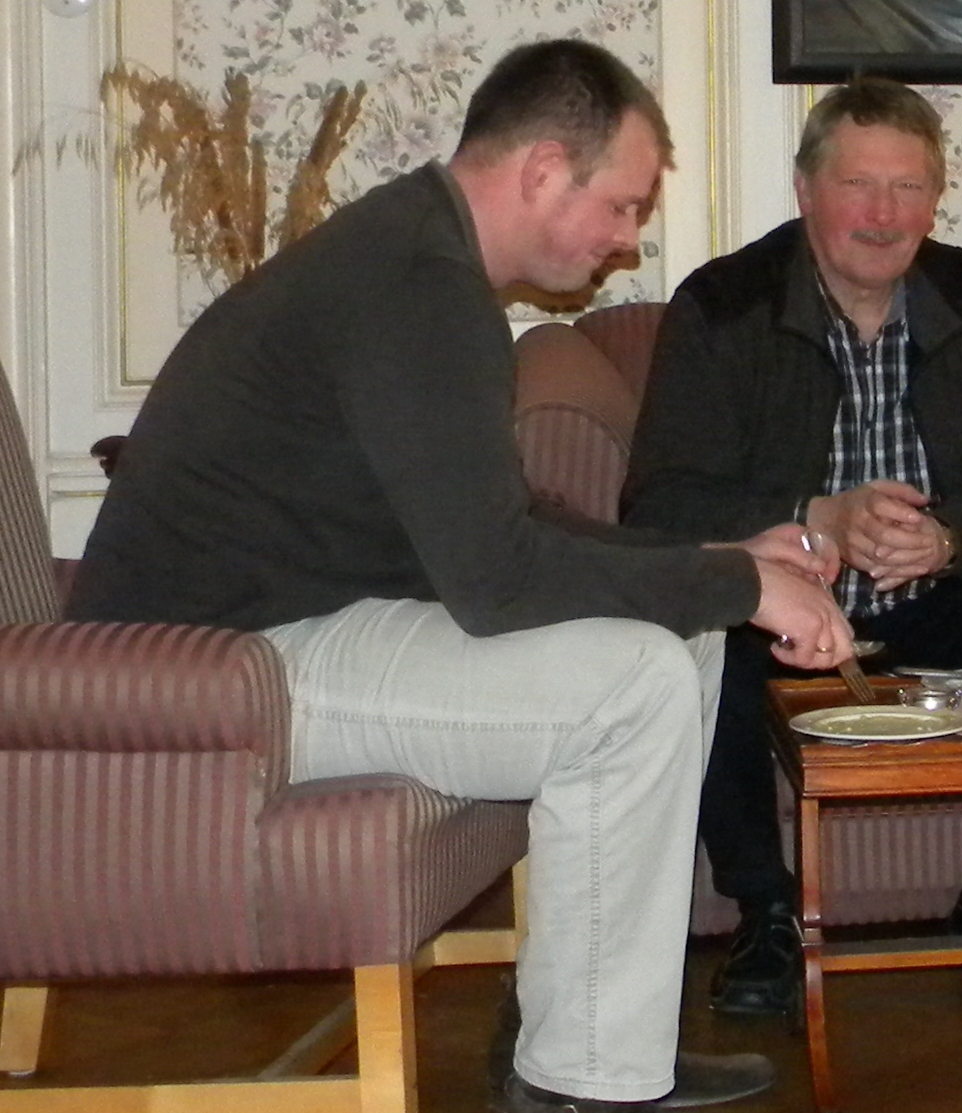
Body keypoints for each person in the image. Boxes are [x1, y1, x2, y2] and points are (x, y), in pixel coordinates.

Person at [64, 39, 858, 1113]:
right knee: (636, 682)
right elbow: (498, 579)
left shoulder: (416, 258)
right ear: (543, 170)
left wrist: (722, 564)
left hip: (285, 629)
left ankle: (582, 1043)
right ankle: (581, 1080)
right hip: (203, 675)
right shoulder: (415, 283)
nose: (629, 239)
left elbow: (501, 524)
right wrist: (743, 587)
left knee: (679, 636)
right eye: (622, 206)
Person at [622, 77, 962, 1018]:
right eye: (858, 184)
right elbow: (659, 503)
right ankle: (766, 911)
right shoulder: (722, 306)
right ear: (804, 189)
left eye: (908, 188)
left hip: (939, 598)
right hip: (781, 611)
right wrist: (814, 518)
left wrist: (951, 537)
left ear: (935, 200)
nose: (883, 213)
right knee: (695, 616)